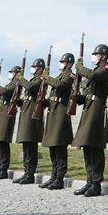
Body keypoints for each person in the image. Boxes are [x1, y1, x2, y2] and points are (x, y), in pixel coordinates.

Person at [72, 44, 108, 197]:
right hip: (88, 108)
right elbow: (86, 94)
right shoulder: (96, 70)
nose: (94, 56)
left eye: (96, 54)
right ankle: (89, 180)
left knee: (95, 146)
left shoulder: (106, 69)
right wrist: (77, 97)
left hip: (96, 109)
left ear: (103, 55)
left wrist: (80, 68)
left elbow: (94, 76)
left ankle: (96, 183)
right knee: (87, 147)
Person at [40, 53, 76, 190]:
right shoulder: (60, 76)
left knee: (59, 146)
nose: (61, 63)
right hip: (53, 112)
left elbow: (59, 85)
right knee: (52, 147)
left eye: (63, 61)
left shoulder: (70, 76)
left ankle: (59, 178)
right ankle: (53, 175)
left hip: (61, 114)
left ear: (69, 63)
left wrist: (46, 77)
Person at [12, 59, 47, 184]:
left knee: (30, 145)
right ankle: (26, 171)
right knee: (26, 145)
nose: (32, 68)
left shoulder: (41, 79)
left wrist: (20, 78)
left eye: (34, 66)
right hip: (26, 112)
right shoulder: (33, 79)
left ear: (40, 68)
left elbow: (31, 88)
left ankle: (30, 174)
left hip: (32, 114)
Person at [0, 66, 21, 179]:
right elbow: (2, 98)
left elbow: (4, 92)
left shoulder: (16, 83)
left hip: (6, 114)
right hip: (0, 114)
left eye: (12, 72)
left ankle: (4, 169)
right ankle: (0, 167)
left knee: (3, 142)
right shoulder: (10, 83)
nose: (10, 74)